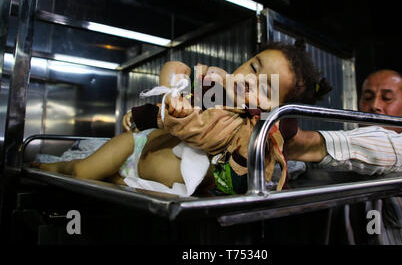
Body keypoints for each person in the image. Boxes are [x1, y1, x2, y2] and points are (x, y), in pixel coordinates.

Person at [34, 42, 332, 196]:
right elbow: (170, 107)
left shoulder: (252, 136)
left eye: (266, 88)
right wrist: (144, 114)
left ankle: (105, 175)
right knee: (80, 174)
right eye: (253, 67)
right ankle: (49, 166)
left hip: (143, 181)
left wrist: (257, 142)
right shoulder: (214, 91)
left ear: (276, 109)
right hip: (135, 147)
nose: (250, 81)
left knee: (98, 182)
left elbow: (232, 184)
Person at [283, 69, 402, 244]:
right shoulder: (335, 150)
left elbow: (392, 151)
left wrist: (305, 144)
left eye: (386, 98)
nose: (375, 105)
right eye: (368, 97)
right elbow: (293, 168)